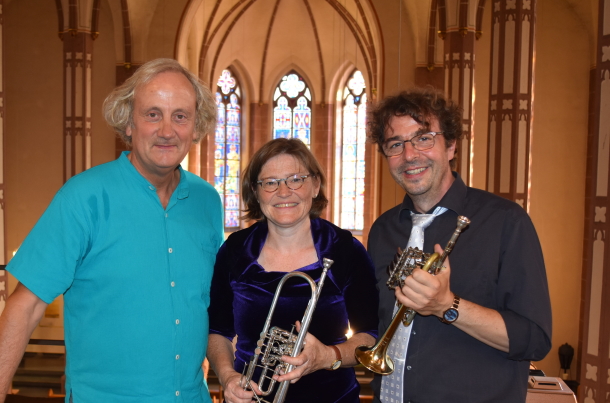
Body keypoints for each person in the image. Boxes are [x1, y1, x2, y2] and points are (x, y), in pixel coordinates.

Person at [0, 58, 224, 403]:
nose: (167, 130)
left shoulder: (207, 201)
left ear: (197, 127)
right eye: (152, 114)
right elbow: (25, 306)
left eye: (180, 116)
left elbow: (206, 303)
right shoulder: (84, 196)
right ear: (128, 123)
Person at [366, 89, 552, 403]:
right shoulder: (383, 230)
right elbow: (375, 325)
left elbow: (534, 340)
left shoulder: (506, 222)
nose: (409, 155)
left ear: (451, 146)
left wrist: (448, 307)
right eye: (395, 144)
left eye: (423, 138)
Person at [206, 138, 379, 403]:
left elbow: (370, 336)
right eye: (270, 182)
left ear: (315, 186)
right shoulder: (236, 250)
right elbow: (217, 330)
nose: (284, 192)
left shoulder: (345, 250)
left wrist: (327, 356)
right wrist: (228, 376)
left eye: (296, 179)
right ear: (255, 191)